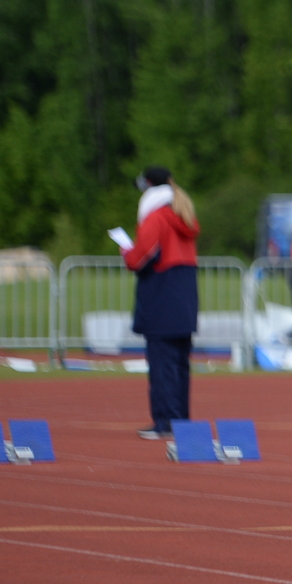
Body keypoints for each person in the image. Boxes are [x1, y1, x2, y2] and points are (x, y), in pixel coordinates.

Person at [125, 166, 200, 440]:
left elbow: (139, 258)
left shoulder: (156, 218)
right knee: (179, 365)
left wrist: (126, 251)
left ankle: (165, 422)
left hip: (161, 297)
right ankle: (180, 421)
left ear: (147, 186)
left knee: (162, 365)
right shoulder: (183, 214)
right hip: (185, 298)